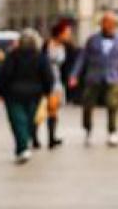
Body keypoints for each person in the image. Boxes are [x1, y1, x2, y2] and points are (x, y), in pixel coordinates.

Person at [69, 12, 118, 147]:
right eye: (105, 22)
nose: (108, 25)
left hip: (113, 78)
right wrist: (74, 75)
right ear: (102, 24)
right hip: (93, 77)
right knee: (87, 105)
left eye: (110, 23)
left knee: (113, 105)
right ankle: (88, 130)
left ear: (114, 25)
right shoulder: (92, 40)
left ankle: (112, 132)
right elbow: (82, 59)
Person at [0, 29, 54, 163]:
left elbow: (4, 74)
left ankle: (22, 148)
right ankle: (23, 146)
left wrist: (1, 91)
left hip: (13, 94)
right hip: (34, 94)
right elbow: (48, 76)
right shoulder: (41, 57)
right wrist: (47, 92)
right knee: (29, 120)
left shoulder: (12, 56)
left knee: (18, 121)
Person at [44, 19, 72, 148]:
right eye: (67, 33)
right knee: (44, 109)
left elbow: (69, 64)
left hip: (57, 81)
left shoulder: (67, 47)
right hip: (45, 79)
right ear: (60, 33)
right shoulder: (46, 45)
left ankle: (52, 137)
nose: (68, 35)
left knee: (53, 109)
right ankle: (35, 136)